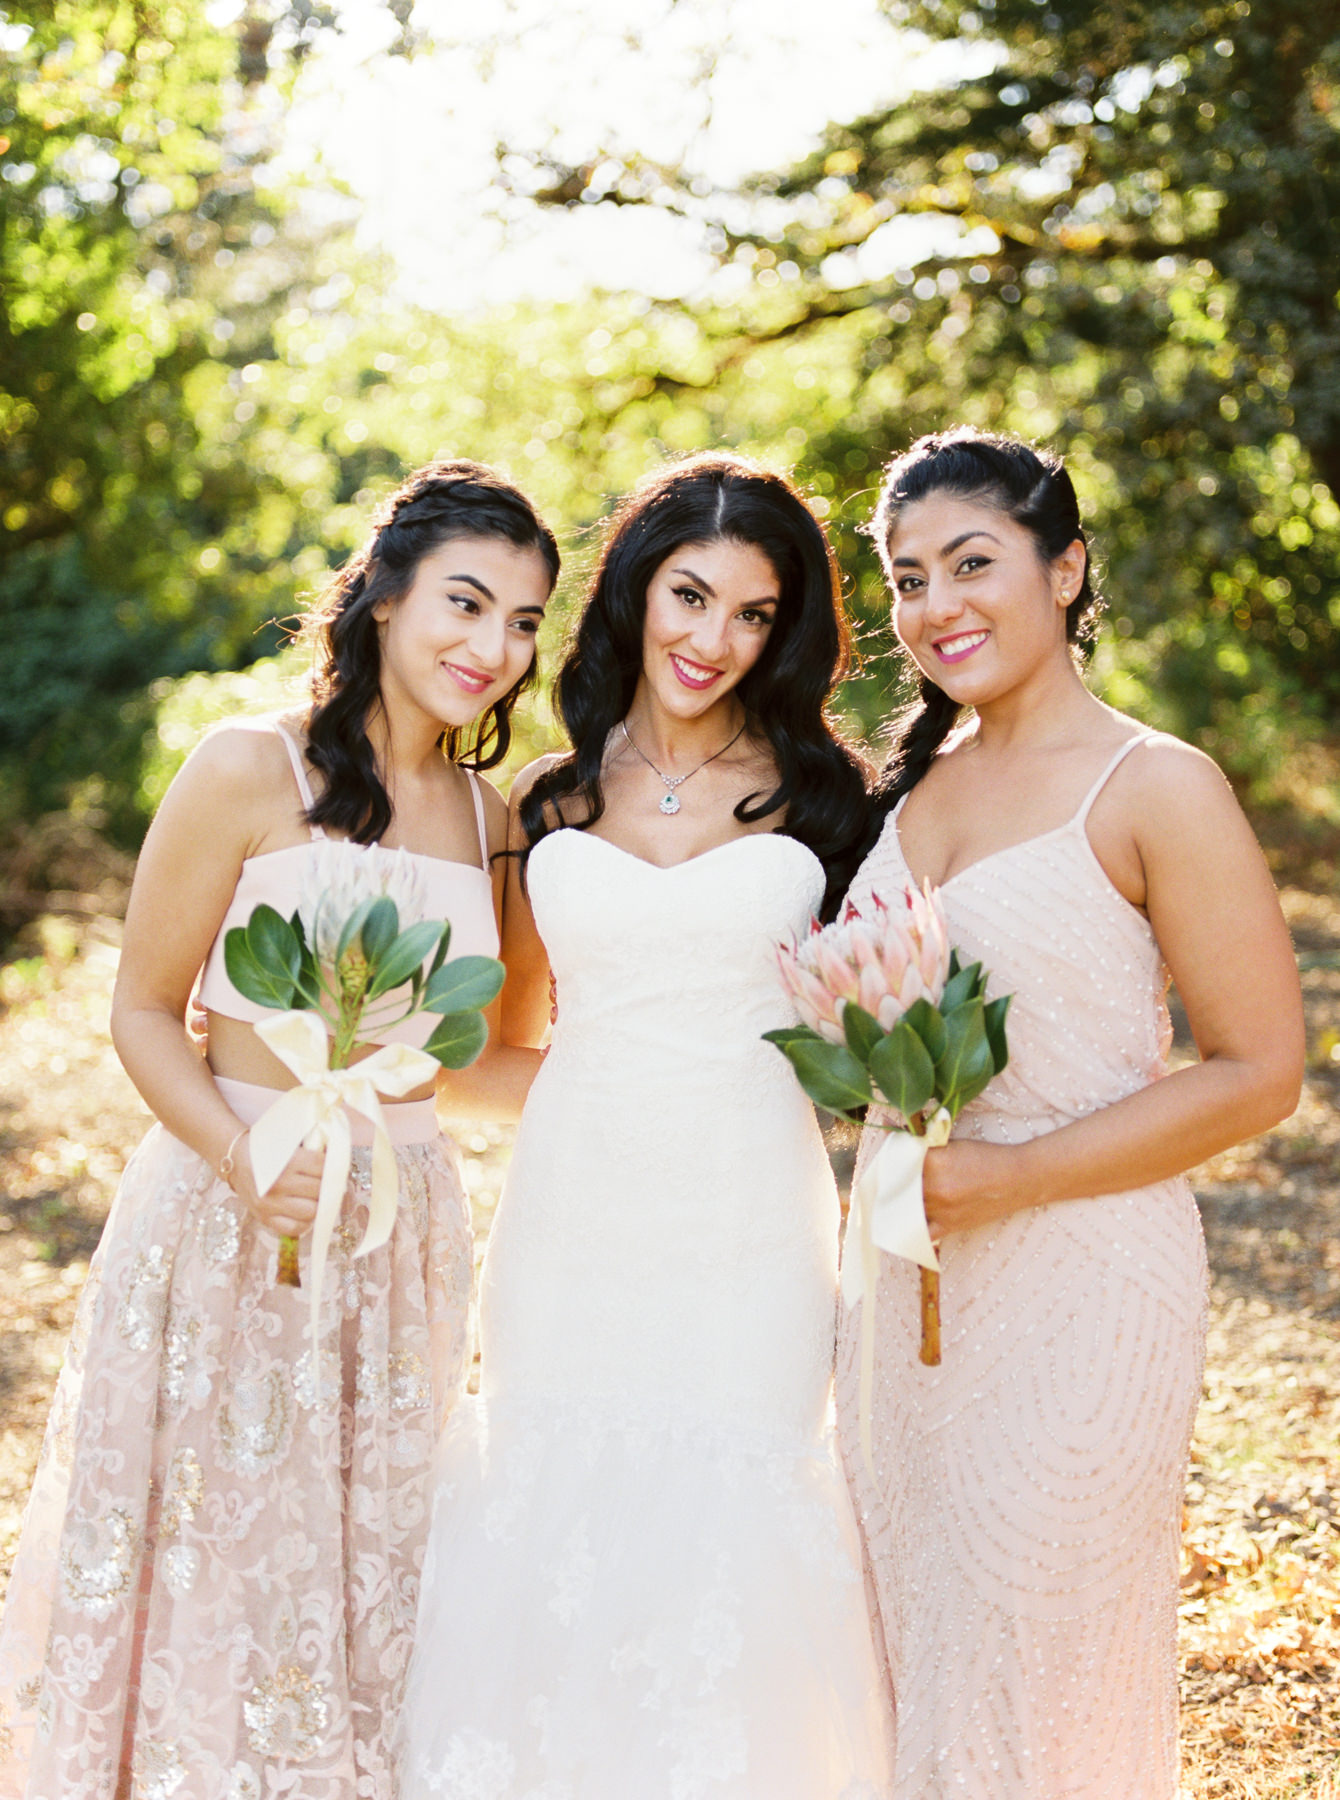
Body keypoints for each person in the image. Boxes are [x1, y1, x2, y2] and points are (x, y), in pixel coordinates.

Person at [0, 462, 560, 1800]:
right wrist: (246, 1156)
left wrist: (684, 1075)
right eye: (467, 604)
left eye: (528, 622)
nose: (494, 648)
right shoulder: (249, 766)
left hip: (402, 1237)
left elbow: (481, 1065)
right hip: (225, 1208)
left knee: (374, 1559)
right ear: (382, 600)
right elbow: (142, 1013)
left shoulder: (497, 825)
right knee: (217, 1544)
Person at [399, 454, 896, 1798]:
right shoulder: (547, 800)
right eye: (689, 595)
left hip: (754, 1218)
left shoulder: (833, 803)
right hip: (575, 1216)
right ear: (634, 591)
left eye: (751, 613)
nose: (712, 639)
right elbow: (499, 1050)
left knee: (739, 1521)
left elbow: (867, 1054)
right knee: (556, 1507)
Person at [835, 428, 1304, 1798]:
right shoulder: (906, 790)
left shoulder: (1155, 784)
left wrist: (1019, 1173)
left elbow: (1256, 1070)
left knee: (1039, 1649)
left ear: (1067, 567)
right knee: (906, 1649)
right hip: (902, 1291)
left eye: (972, 563)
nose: (937, 606)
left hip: (1086, 1284)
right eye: (910, 578)